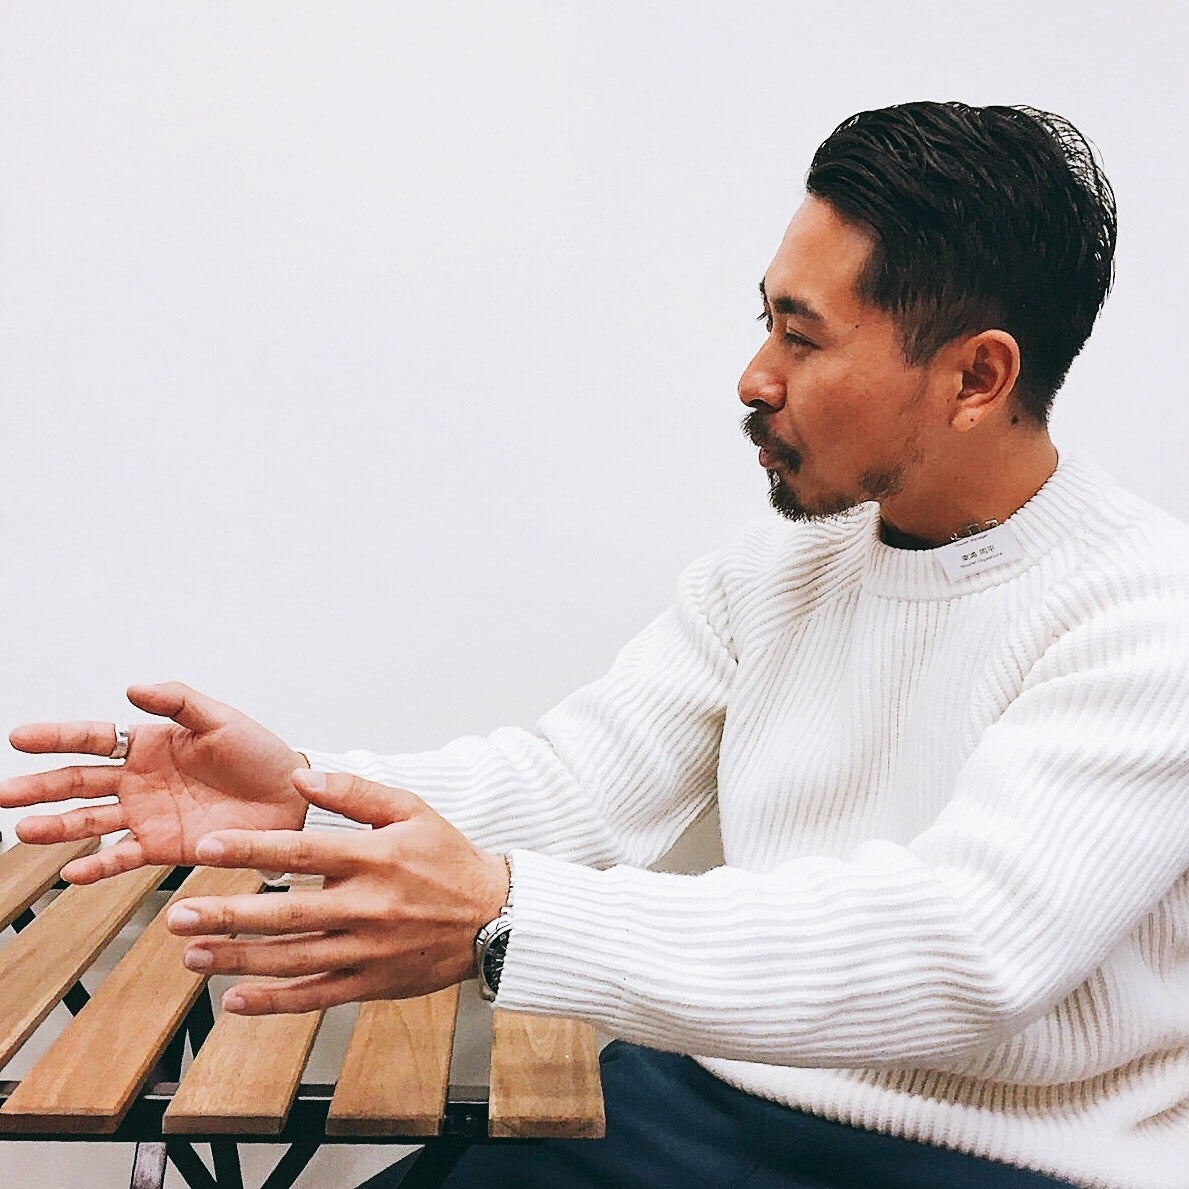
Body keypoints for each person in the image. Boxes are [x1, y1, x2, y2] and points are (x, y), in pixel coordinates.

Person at [2, 101, 1186, 1189]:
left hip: (995, 1162)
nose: (753, 376)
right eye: (764, 319)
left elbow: (964, 948)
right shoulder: (772, 572)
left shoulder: (1146, 609)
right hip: (707, 1102)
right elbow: (578, 785)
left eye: (801, 337)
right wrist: (303, 797)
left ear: (976, 376)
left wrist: (510, 915)